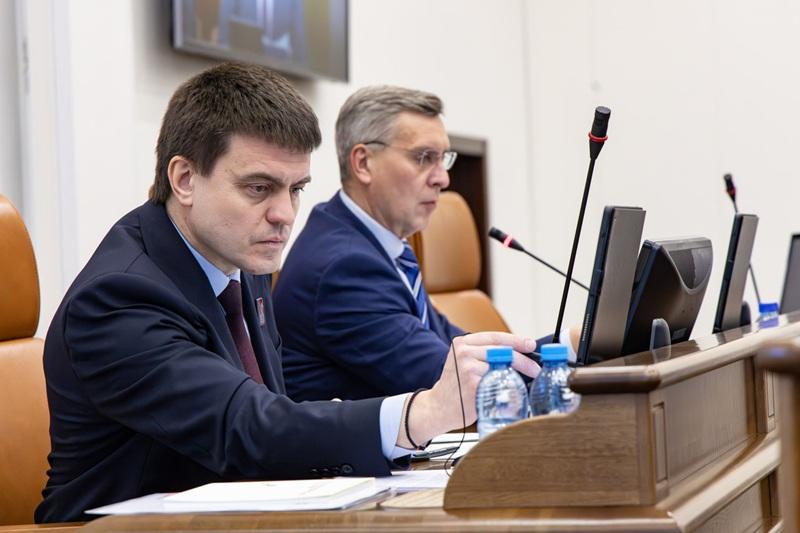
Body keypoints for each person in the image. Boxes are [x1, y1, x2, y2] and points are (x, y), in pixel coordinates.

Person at [34, 63, 537, 523]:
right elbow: (245, 425)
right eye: (259, 188)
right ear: (185, 179)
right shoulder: (119, 297)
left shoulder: (242, 262)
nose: (284, 214)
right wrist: (419, 414)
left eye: (295, 189)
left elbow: (273, 409)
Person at [274, 86, 550, 402]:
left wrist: (570, 346)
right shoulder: (344, 267)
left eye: (443, 159)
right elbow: (454, 381)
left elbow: (458, 348)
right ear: (363, 163)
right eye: (423, 158)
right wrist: (565, 361)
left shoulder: (383, 247)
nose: (443, 179)